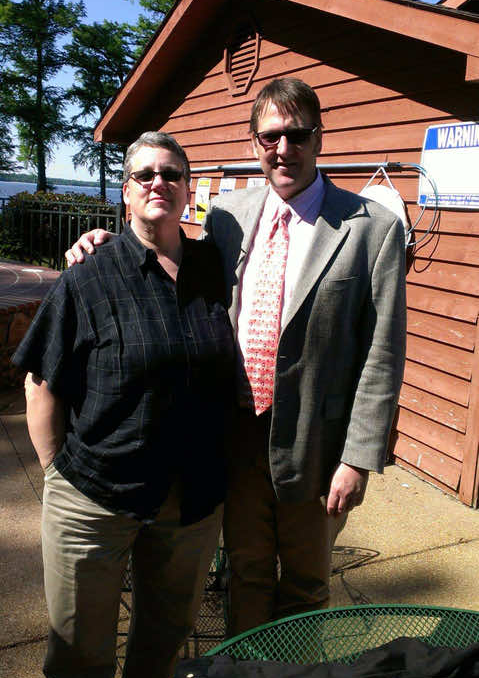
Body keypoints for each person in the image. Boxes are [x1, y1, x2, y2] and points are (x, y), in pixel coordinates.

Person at [66, 77, 407, 639]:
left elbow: (383, 352)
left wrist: (358, 458)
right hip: (235, 437)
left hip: (317, 447)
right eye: (270, 136)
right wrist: (103, 242)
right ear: (254, 144)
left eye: (297, 135)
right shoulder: (228, 214)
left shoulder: (371, 227)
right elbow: (172, 255)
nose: (284, 149)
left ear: (318, 138)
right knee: (244, 574)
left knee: (306, 584)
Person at [13, 132, 235, 678]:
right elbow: (41, 381)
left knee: (165, 638)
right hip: (97, 495)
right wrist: (57, 471)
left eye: (171, 173)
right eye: (145, 175)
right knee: (81, 644)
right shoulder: (89, 275)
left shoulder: (217, 268)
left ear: (188, 189)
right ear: (126, 193)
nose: (159, 183)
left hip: (190, 499)